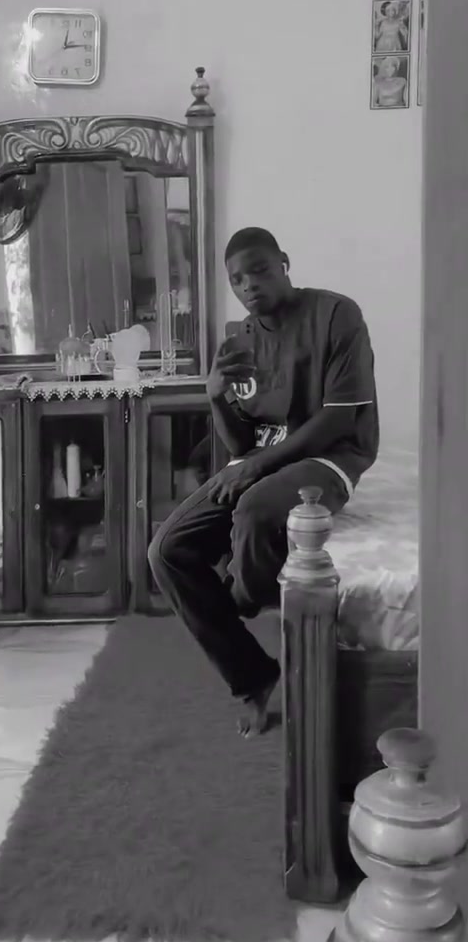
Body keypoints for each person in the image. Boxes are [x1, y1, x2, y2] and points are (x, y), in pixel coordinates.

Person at [148, 227, 379, 738]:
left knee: (254, 509)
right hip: (262, 458)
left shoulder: (337, 315)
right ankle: (253, 675)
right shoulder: (240, 340)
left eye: (259, 270)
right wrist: (214, 396)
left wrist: (256, 467)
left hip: (329, 457)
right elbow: (240, 443)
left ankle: (241, 598)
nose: (249, 284)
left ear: (284, 263)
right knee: (166, 551)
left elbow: (338, 420)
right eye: (237, 279)